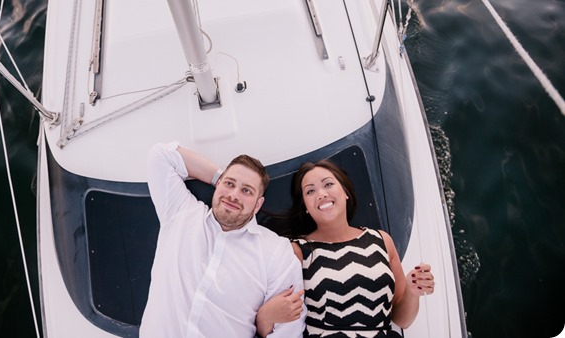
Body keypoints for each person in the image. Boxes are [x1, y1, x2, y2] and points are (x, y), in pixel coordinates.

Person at [139, 141, 306, 338]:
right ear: (218, 185)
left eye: (246, 191)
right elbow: (161, 156)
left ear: (258, 204)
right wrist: (219, 176)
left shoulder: (276, 252)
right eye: (229, 184)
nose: (234, 195)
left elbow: (289, 330)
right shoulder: (181, 213)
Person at [256, 160, 435, 338]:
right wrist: (264, 317)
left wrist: (413, 291)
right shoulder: (297, 251)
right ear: (306, 207)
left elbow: (402, 321)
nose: (321, 194)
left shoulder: (382, 241)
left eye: (328, 184)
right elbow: (281, 323)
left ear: (345, 192)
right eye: (310, 191)